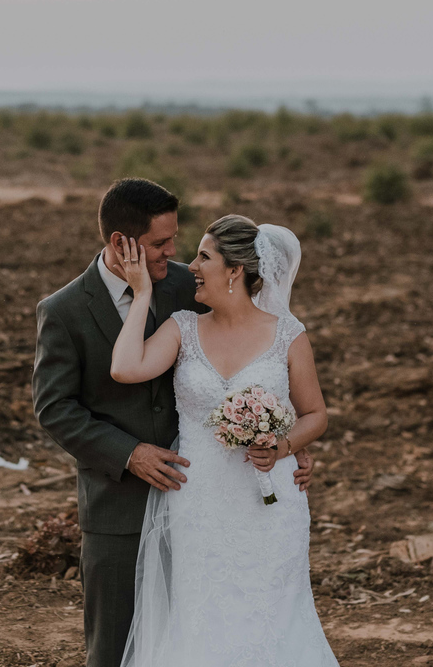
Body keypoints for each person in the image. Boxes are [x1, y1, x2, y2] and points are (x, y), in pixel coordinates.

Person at [32, 179, 315, 667]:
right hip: (118, 503)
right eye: (161, 243)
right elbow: (55, 408)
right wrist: (129, 453)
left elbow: (260, 361)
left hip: (205, 495)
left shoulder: (191, 283)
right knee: (116, 648)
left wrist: (288, 443)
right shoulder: (64, 311)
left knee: (211, 633)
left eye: (176, 240)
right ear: (122, 243)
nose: (174, 253)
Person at [110, 213, 339, 666]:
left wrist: (283, 447)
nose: (191, 265)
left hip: (269, 504)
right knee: (203, 613)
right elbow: (125, 368)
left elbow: (315, 414)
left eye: (204, 256)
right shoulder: (183, 328)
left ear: (235, 270)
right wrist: (141, 294)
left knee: (271, 614)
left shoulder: (289, 336)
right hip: (201, 504)